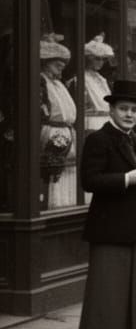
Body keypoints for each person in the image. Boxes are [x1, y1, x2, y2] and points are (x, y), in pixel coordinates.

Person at [75, 79, 136, 329]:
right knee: (109, 291)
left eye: (134, 110)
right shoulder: (98, 139)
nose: (129, 115)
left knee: (134, 290)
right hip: (111, 227)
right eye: (124, 109)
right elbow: (89, 181)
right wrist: (128, 179)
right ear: (111, 109)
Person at [39, 33, 77, 209]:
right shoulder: (41, 81)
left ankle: (65, 205)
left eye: (62, 66)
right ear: (46, 62)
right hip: (52, 131)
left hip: (66, 131)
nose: (60, 70)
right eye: (57, 65)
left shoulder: (59, 83)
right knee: (52, 169)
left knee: (66, 170)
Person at [78, 33, 115, 136]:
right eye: (97, 59)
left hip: (106, 121)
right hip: (91, 123)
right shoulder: (81, 78)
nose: (101, 62)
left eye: (103, 59)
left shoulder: (102, 79)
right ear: (89, 58)